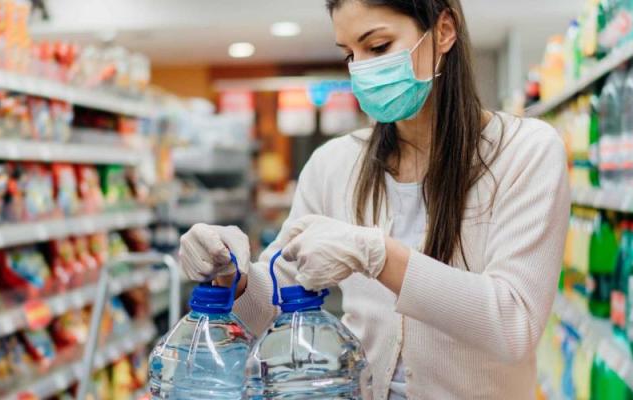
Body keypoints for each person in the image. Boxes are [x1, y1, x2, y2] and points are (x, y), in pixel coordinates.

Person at [177, 0, 570, 398]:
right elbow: (272, 305)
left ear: (444, 30)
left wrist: (379, 255)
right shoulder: (334, 164)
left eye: (378, 47)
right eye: (350, 54)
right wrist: (231, 274)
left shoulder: (525, 152)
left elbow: (513, 326)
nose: (362, 69)